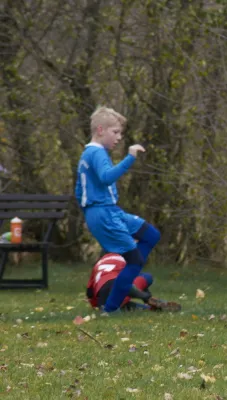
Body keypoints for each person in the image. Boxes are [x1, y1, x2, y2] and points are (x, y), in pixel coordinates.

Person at [75, 106, 161, 313]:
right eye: (116, 132)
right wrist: (130, 157)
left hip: (108, 211)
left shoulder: (91, 153)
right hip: (103, 213)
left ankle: (126, 281)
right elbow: (106, 177)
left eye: (120, 133)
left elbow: (79, 192)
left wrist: (90, 213)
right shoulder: (96, 153)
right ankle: (111, 308)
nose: (119, 137)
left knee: (151, 235)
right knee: (134, 260)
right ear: (100, 130)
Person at [86, 253, 181, 311]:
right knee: (146, 277)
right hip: (120, 287)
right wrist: (146, 296)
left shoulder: (97, 265)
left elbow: (89, 292)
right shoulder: (123, 260)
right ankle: (147, 299)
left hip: (103, 297)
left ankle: (146, 307)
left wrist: (97, 305)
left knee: (117, 306)